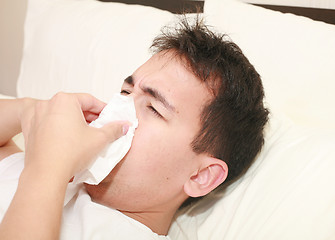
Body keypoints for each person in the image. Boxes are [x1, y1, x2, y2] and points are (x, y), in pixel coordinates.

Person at [0, 17, 268, 239]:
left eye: (153, 108)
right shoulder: (46, 166)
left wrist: (48, 168)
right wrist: (34, 111)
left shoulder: (47, 170)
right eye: (126, 92)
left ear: (201, 176)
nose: (118, 109)